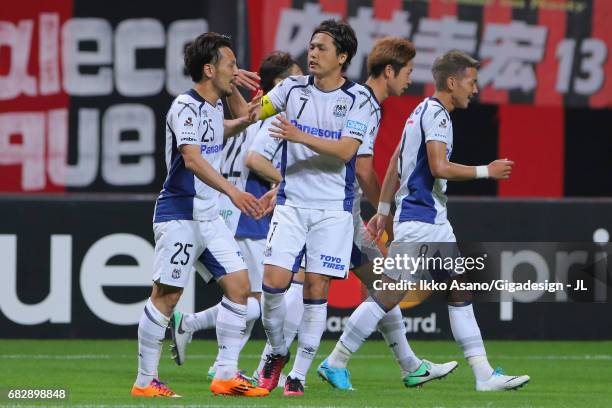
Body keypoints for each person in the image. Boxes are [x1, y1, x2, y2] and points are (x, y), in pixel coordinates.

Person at [322, 49, 530, 392]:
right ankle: (337, 360)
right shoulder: (437, 115)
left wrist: (384, 212)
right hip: (421, 219)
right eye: (471, 82)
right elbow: (438, 167)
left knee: (459, 287)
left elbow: (392, 165)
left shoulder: (419, 111)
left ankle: (483, 374)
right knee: (390, 293)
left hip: (431, 219)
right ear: (452, 82)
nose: (475, 90)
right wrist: (486, 171)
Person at [130, 32, 269, 398]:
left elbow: (242, 116)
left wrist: (234, 93)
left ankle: (225, 375)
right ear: (209, 69)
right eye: (230, 64)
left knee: (239, 288)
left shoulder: (211, 106)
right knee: (166, 296)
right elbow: (192, 158)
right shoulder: (184, 106)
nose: (236, 70)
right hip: (180, 213)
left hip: (208, 217)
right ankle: (144, 382)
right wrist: (233, 190)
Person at [316, 37, 457, 390]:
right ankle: (326, 363)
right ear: (390, 71)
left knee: (383, 287)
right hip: (336, 214)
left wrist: (380, 209)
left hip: (332, 209)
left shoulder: (357, 99)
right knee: (308, 290)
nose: (410, 79)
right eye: (407, 71)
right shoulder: (365, 103)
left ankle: (410, 366)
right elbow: (364, 168)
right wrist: (387, 211)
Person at [253, 19, 374, 396]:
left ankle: (298, 376)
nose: (313, 53)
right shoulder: (290, 88)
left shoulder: (360, 100)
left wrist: (297, 134)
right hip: (292, 202)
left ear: (342, 57)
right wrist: (231, 96)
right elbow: (257, 112)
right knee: (272, 284)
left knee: (316, 290)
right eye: (311, 46)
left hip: (333, 209)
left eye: (322, 48)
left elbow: (345, 151)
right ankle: (276, 351)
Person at [168, 51, 304, 383]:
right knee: (258, 295)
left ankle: (208, 344)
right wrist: (287, 182)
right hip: (243, 211)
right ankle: (209, 347)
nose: (304, 86)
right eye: (296, 79)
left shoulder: (243, 113)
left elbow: (244, 117)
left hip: (229, 207)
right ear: (281, 84)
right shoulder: (269, 119)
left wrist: (232, 88)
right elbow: (253, 159)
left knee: (250, 294)